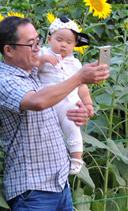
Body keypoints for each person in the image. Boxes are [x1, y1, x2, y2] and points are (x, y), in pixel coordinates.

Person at [0, 16, 109, 210]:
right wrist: (79, 78)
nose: (38, 48)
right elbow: (39, 101)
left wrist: (81, 110)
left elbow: (59, 101)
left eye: (38, 41)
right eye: (31, 44)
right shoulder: (7, 81)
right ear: (9, 50)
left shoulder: (37, 74)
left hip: (60, 185)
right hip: (32, 192)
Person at [38, 17, 94, 176]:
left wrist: (88, 104)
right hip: (47, 102)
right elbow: (32, 68)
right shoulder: (43, 53)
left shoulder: (75, 63)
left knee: (72, 125)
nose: (63, 45)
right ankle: (48, 159)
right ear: (49, 39)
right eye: (59, 40)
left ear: (75, 44)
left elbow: (82, 86)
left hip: (68, 103)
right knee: (47, 133)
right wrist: (43, 60)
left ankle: (76, 158)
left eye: (69, 42)